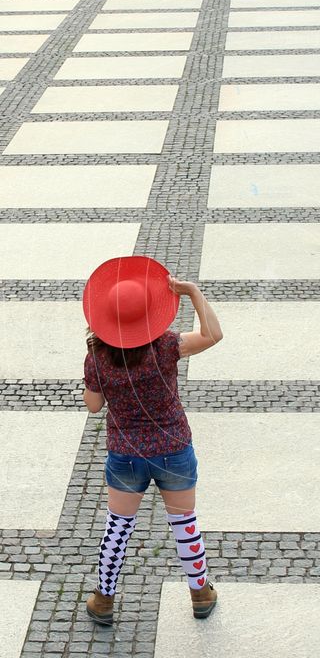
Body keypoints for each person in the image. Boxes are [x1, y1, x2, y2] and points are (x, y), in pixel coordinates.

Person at [81, 255, 223, 625]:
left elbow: (94, 407)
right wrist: (192, 292)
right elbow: (213, 334)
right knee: (185, 525)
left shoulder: (96, 358)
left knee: (118, 528)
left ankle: (103, 600)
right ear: (149, 314)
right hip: (174, 448)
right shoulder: (167, 347)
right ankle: (200, 594)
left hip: (125, 455)